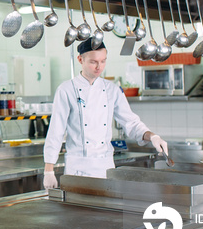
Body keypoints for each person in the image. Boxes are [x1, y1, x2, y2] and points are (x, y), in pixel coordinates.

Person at [43, 40, 169, 188]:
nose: (99, 67)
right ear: (80, 60)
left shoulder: (112, 90)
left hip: (105, 167)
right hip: (78, 169)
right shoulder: (66, 90)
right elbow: (56, 131)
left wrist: (152, 136)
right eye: (93, 62)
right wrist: (49, 170)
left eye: (103, 61)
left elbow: (131, 123)